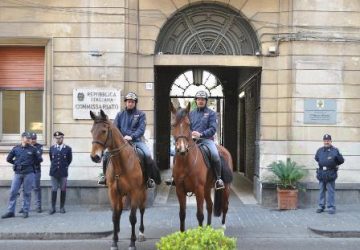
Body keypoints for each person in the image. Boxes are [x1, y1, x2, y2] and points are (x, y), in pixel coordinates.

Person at [166, 90, 225, 189]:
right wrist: (190, 134)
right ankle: (174, 177)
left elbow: (213, 129)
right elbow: (187, 126)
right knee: (178, 153)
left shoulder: (211, 113)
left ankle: (218, 179)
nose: (200, 101)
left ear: (206, 101)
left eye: (203, 99)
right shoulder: (191, 113)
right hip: (192, 140)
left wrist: (201, 134)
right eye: (198, 99)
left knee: (215, 155)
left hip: (207, 140)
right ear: (196, 101)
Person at [98, 92, 155, 188]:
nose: (130, 103)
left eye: (132, 102)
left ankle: (148, 179)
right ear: (125, 103)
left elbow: (141, 129)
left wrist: (131, 136)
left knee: (148, 155)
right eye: (128, 101)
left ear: (135, 103)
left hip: (137, 141)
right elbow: (115, 128)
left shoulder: (141, 115)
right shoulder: (120, 114)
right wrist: (121, 138)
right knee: (107, 154)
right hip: (121, 142)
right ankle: (105, 177)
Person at [1, 132, 42, 219]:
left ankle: (25, 210)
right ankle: (11, 211)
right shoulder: (16, 148)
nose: (29, 139)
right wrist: (16, 163)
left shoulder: (33, 149)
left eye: (29, 138)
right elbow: (9, 159)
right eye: (27, 137)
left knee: (27, 192)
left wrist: (30, 164)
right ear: (22, 138)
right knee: (13, 192)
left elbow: (39, 160)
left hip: (29, 173)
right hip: (18, 173)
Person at [315, 134, 344, 214]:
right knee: (321, 190)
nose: (326, 142)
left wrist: (337, 159)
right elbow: (317, 158)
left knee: (330, 191)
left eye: (328, 140)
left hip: (330, 173)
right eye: (325, 140)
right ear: (323, 141)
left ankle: (331, 207)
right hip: (321, 173)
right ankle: (321, 206)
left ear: (331, 141)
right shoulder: (319, 150)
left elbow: (341, 161)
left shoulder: (335, 150)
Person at [49, 131, 72, 214]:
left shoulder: (68, 149)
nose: (58, 140)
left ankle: (62, 207)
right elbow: (51, 159)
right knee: (54, 189)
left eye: (60, 138)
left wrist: (64, 167)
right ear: (55, 139)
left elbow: (69, 160)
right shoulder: (52, 148)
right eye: (57, 138)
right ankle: (53, 207)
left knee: (63, 189)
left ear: (63, 138)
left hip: (63, 173)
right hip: (54, 172)